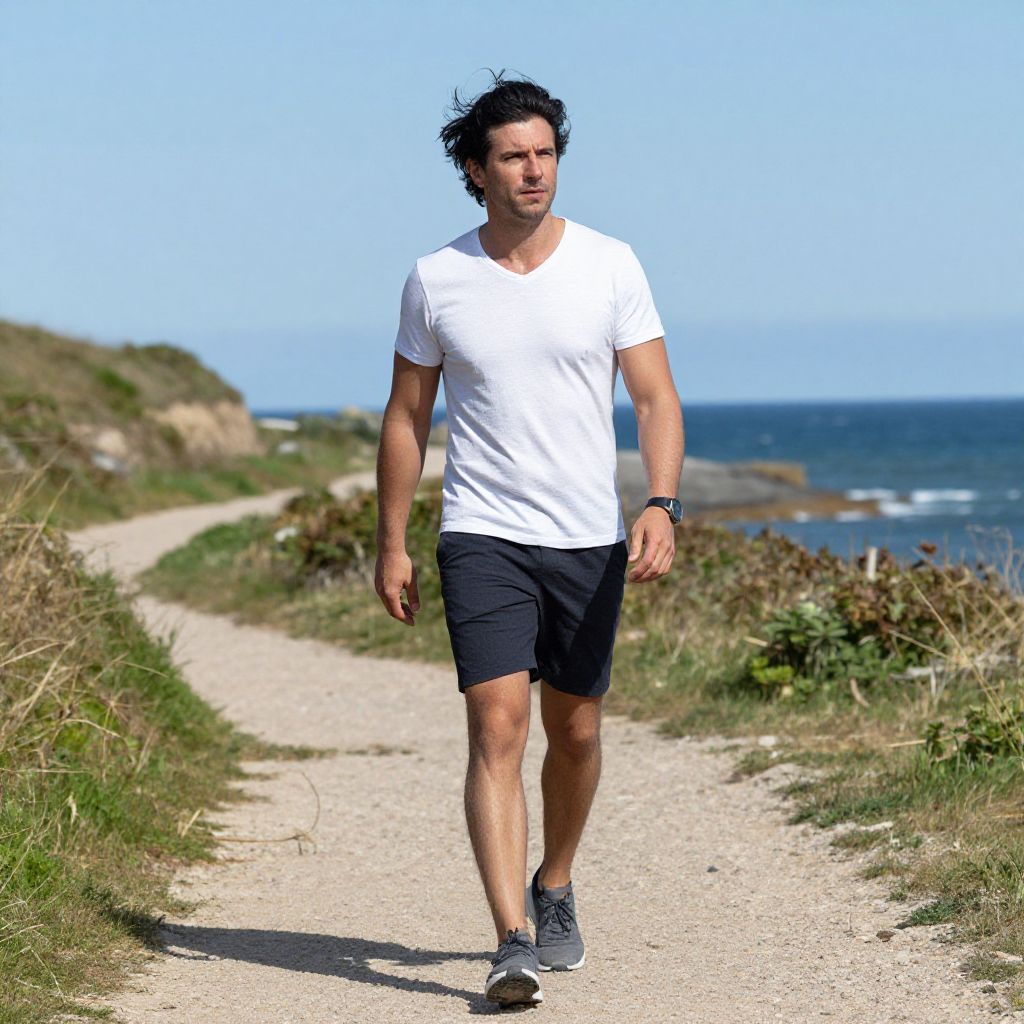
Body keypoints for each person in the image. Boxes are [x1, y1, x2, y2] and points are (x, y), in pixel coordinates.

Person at [374, 70, 684, 1008]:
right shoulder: (437, 278)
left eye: (546, 153)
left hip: (587, 539)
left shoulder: (610, 264)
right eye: (513, 156)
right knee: (496, 726)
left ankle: (556, 883)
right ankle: (510, 937)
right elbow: (405, 417)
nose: (534, 171)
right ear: (476, 169)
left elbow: (655, 397)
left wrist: (661, 503)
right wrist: (391, 541)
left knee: (576, 730)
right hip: (482, 534)